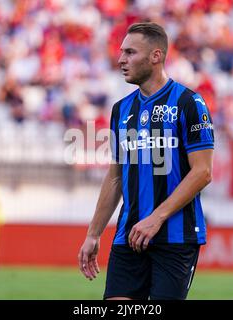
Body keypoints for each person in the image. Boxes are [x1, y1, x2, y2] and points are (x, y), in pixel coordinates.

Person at [78, 22, 214, 300]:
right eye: (121, 52)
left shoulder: (189, 103)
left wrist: (157, 218)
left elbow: (203, 173)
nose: (121, 60)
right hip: (129, 235)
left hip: (175, 238)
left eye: (130, 52)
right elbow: (116, 175)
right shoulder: (122, 109)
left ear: (156, 56)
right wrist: (94, 233)